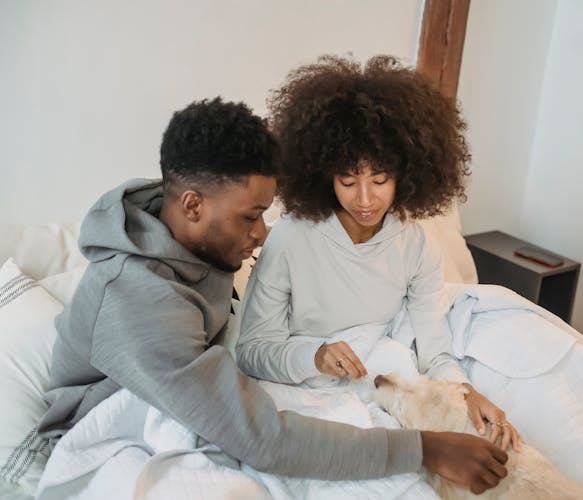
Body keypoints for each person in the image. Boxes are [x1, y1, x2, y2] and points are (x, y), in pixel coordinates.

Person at [37, 97, 508, 493]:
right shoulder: (137, 302)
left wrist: (456, 389)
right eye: (250, 216)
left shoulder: (183, 228)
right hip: (106, 424)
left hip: (191, 392)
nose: (262, 233)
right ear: (193, 205)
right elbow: (262, 437)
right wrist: (425, 449)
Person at [236, 55, 522, 454]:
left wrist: (466, 393)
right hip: (301, 387)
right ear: (323, 175)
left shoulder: (415, 244)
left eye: (381, 180)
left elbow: (434, 349)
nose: (366, 199)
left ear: (406, 174)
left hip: (379, 384)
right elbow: (250, 351)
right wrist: (314, 356)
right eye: (348, 181)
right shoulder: (292, 239)